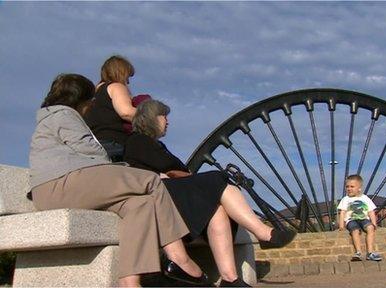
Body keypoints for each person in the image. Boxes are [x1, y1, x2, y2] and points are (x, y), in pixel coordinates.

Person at [29, 74, 211, 287]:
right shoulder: (64, 114)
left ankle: (129, 282)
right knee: (150, 180)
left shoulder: (53, 117)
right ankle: (181, 260)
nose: (93, 105)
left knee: (139, 204)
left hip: (61, 186)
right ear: (82, 99)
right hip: (61, 183)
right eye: (91, 100)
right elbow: (92, 153)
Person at [123, 99, 297, 287]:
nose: (167, 121)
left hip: (173, 195)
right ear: (151, 119)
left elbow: (174, 172)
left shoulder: (155, 145)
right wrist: (189, 178)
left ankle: (230, 278)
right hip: (161, 198)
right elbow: (170, 171)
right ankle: (263, 232)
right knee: (217, 178)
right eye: (163, 116)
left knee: (217, 208)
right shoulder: (138, 141)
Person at [84, 55, 137, 160]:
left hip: (93, 147)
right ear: (121, 72)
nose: (128, 82)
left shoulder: (92, 95)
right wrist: (152, 117)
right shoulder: (116, 86)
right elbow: (126, 112)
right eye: (127, 76)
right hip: (114, 145)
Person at [337, 175, 382, 261]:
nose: (349, 189)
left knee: (370, 228)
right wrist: (341, 225)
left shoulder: (365, 198)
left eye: (352, 186)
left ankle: (370, 252)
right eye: (347, 187)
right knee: (355, 231)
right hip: (351, 220)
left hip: (363, 219)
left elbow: (371, 211)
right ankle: (358, 252)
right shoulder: (345, 199)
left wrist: (374, 223)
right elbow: (342, 212)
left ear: (359, 188)